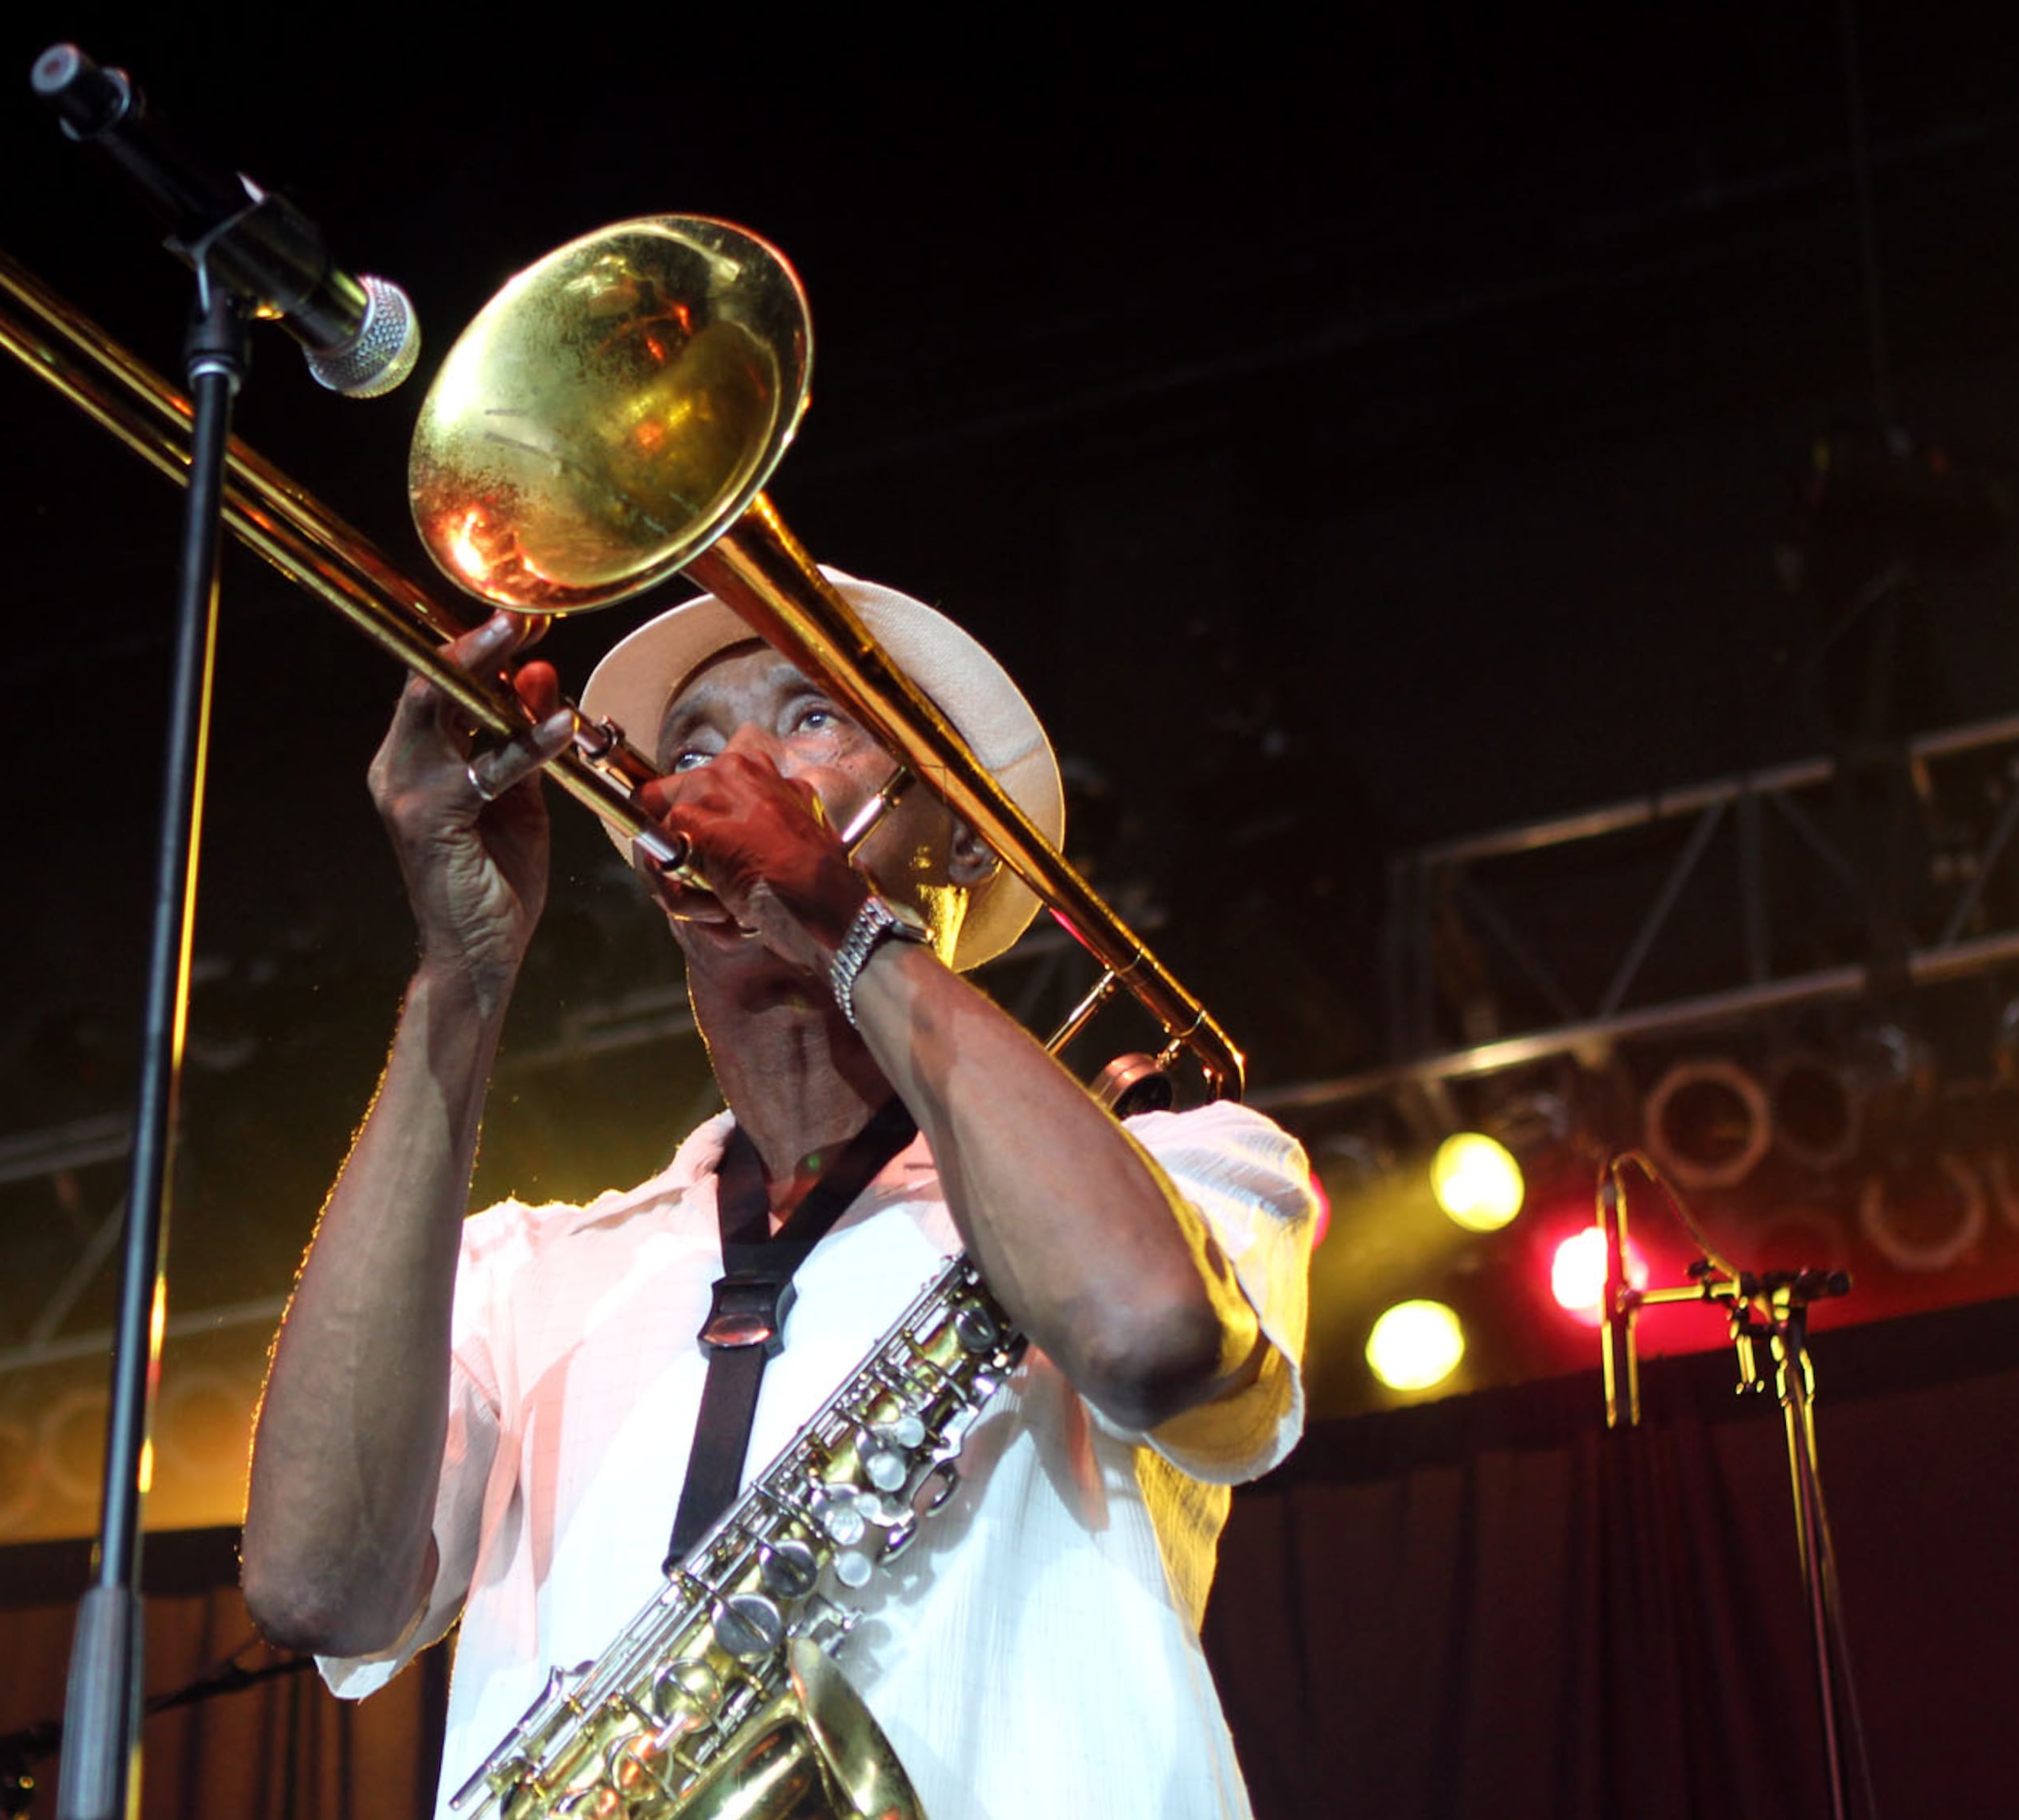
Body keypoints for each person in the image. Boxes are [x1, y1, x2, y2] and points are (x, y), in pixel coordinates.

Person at [241, 573, 1316, 1820]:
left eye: (813, 721)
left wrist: (845, 924)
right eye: (690, 745)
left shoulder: (1184, 1164)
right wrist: (457, 976)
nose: (735, 773)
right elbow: (317, 1590)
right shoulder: (527, 1270)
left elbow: (1149, 1338)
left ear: (966, 833)